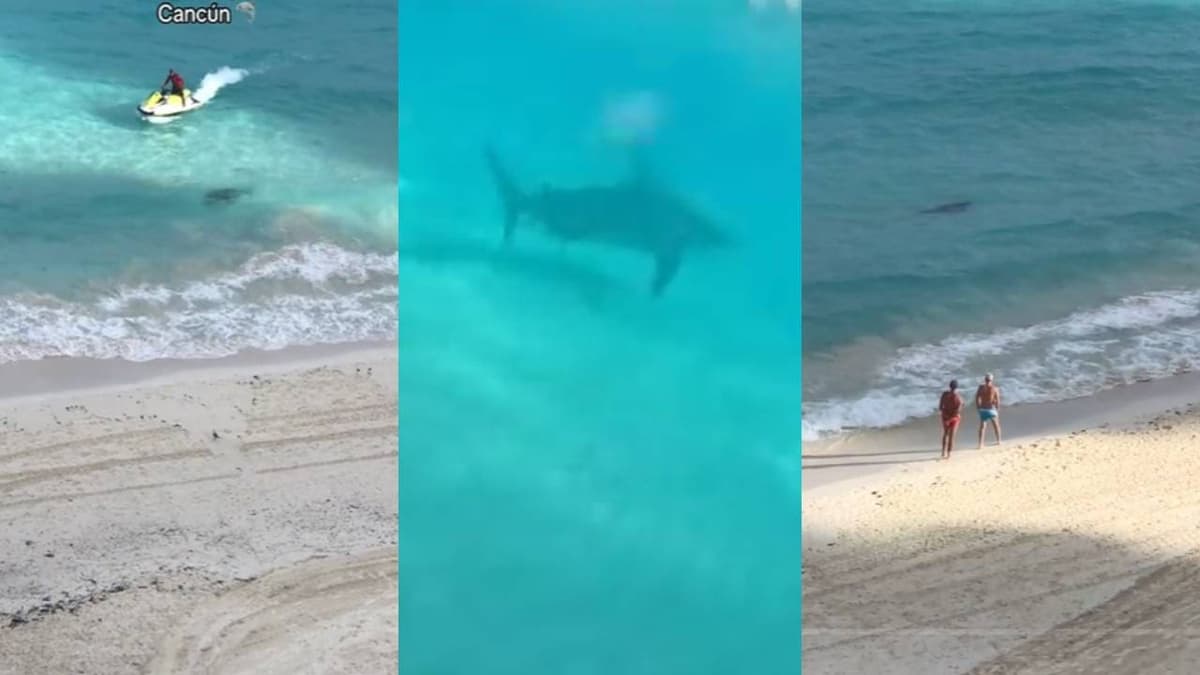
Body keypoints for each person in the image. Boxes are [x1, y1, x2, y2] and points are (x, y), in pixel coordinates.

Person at [938, 379, 964, 460]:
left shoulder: (944, 394)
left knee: (945, 434)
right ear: (957, 387)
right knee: (952, 436)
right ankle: (948, 454)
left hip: (945, 417)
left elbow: (940, 407)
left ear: (949, 386)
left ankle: (943, 452)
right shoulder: (959, 398)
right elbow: (957, 411)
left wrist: (946, 415)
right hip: (953, 419)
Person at [976, 372, 1002, 449]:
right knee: (996, 426)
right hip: (991, 409)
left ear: (985, 379)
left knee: (982, 427)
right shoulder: (995, 388)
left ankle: (980, 444)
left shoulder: (981, 387)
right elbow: (998, 401)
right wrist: (997, 408)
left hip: (983, 409)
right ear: (992, 380)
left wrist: (978, 407)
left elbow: (977, 398)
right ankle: (999, 441)